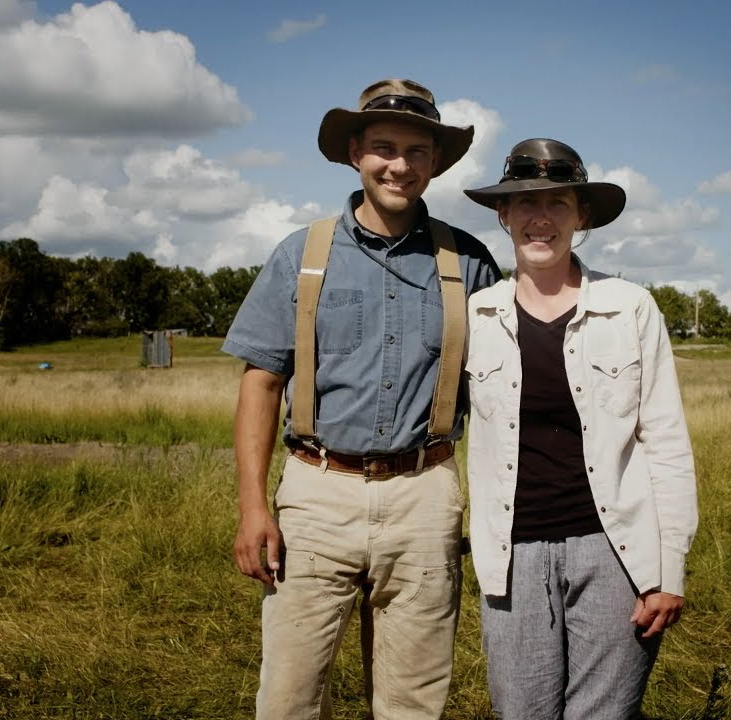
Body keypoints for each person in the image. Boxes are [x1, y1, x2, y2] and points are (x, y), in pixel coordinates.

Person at [222, 79, 501, 720]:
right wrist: (251, 509)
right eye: (383, 147)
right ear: (355, 153)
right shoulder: (301, 255)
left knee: (413, 701)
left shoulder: (472, 263)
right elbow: (261, 383)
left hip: (425, 494)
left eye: (416, 151)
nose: (398, 165)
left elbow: (504, 389)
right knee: (290, 697)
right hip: (316, 492)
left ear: (435, 162)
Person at [462, 138, 699, 720]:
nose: (540, 218)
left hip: (615, 552)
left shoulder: (631, 307)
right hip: (510, 555)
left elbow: (665, 440)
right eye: (524, 203)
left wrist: (668, 571)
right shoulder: (474, 314)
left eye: (558, 204)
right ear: (502, 214)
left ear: (582, 216)